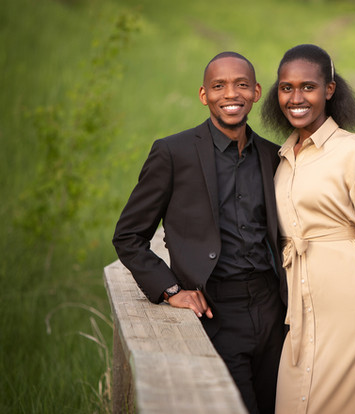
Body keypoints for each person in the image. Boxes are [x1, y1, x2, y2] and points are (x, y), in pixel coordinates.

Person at [112, 52, 286, 414]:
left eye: (241, 84)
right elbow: (128, 236)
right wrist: (170, 289)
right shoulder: (173, 153)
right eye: (218, 86)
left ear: (255, 92)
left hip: (274, 311)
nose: (230, 94)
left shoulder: (274, 156)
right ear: (204, 95)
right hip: (217, 313)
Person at [261, 44, 355, 413]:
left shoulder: (353, 151)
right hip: (300, 314)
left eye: (308, 87)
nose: (296, 98)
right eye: (286, 88)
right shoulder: (280, 159)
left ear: (329, 90)